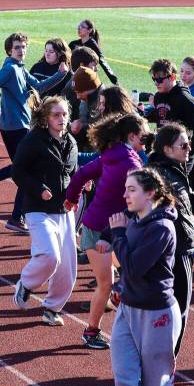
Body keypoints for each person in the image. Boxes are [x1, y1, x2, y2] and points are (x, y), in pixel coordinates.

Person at [108, 167, 188, 386]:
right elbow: (124, 264)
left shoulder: (163, 228)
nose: (125, 195)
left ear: (150, 193)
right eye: (125, 189)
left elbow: (134, 266)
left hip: (157, 316)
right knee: (126, 382)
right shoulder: (136, 222)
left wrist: (116, 236)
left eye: (131, 190)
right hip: (128, 312)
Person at [0, 32, 69, 233]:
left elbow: (38, 86)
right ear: (9, 50)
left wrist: (60, 74)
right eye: (17, 48)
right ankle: (15, 216)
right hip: (14, 127)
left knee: (23, 169)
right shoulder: (10, 69)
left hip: (20, 125)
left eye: (24, 47)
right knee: (27, 170)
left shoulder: (20, 69)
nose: (22, 51)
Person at [64, 113, 145, 349]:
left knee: (131, 272)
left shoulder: (112, 155)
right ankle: (91, 331)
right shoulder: (130, 163)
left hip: (112, 228)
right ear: (132, 136)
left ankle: (120, 297)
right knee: (106, 283)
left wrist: (72, 198)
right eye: (144, 136)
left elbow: (81, 175)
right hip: (100, 229)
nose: (146, 139)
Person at [11, 96, 79, 326]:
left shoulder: (71, 141)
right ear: (46, 118)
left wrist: (80, 187)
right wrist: (39, 189)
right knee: (50, 255)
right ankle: (27, 284)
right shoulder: (33, 141)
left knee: (67, 268)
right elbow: (17, 172)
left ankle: (52, 309)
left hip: (65, 210)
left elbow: (72, 171)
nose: (62, 119)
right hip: (38, 209)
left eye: (64, 114)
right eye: (56, 115)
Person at [148, 124, 194, 356]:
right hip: (177, 248)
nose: (189, 148)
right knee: (178, 308)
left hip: (178, 246)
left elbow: (193, 209)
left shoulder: (173, 169)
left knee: (165, 307)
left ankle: (158, 360)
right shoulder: (160, 175)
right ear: (167, 148)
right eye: (184, 145)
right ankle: (166, 362)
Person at [147, 58, 194, 233]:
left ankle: (185, 227)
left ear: (172, 77)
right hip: (165, 152)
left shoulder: (185, 99)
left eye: (160, 79)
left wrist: (189, 152)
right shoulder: (161, 95)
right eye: (154, 79)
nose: (157, 83)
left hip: (181, 154)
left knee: (179, 191)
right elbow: (161, 116)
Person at [68, 19, 118, 85]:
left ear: (89, 30)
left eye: (82, 27)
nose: (79, 28)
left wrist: (114, 80)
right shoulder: (73, 44)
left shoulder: (93, 45)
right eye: (79, 26)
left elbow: (103, 62)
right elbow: (65, 55)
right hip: (75, 76)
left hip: (88, 77)